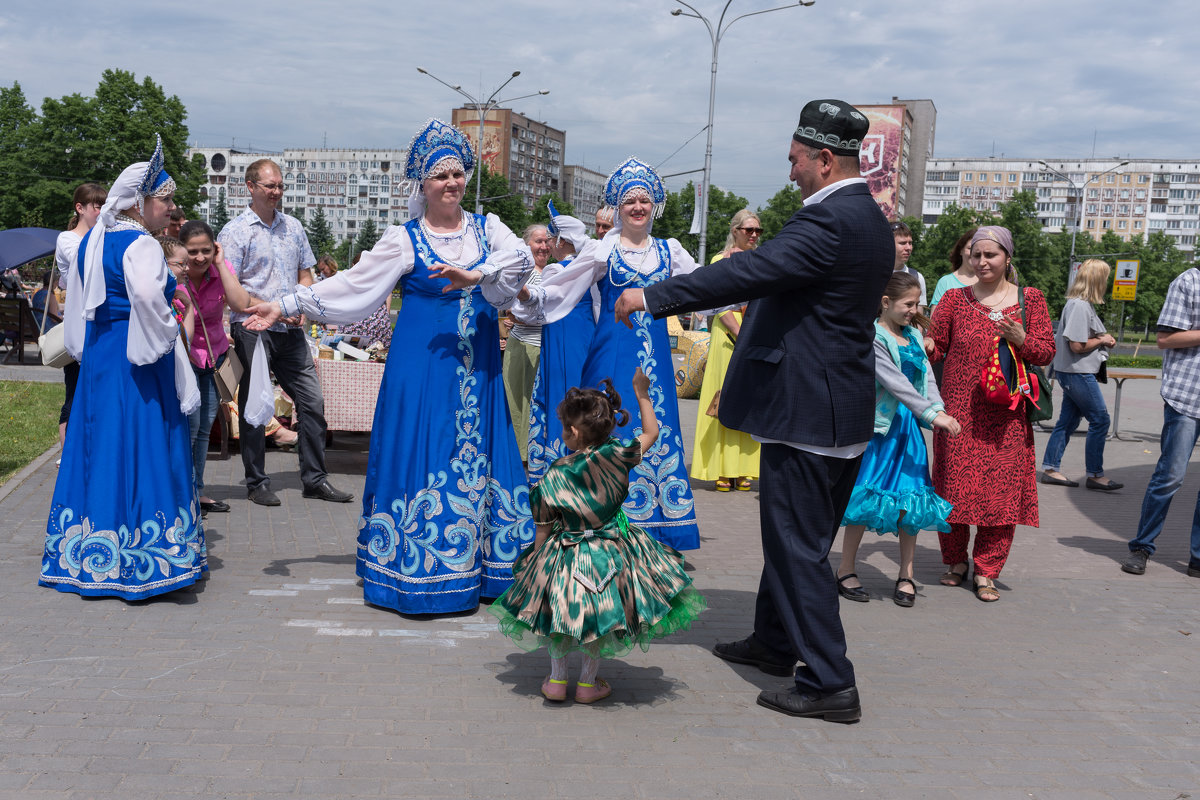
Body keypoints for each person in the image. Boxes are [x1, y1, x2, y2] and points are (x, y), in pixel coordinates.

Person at [615, 99, 894, 722]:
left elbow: (747, 274)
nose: (789, 171)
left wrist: (650, 295)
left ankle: (829, 682)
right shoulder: (867, 216)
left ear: (824, 160)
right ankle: (774, 642)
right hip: (834, 406)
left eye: (796, 160)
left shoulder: (828, 222)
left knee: (797, 544)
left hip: (809, 411)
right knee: (797, 537)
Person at [242, 118, 536, 615]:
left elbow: (523, 260)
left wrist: (476, 273)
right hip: (422, 370)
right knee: (426, 450)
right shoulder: (405, 238)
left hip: (479, 370)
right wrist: (285, 302)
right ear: (423, 183)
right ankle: (422, 568)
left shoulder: (489, 228)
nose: (452, 183)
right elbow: (353, 286)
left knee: (479, 451)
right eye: (441, 175)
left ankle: (484, 566)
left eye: (458, 173)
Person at [41, 135, 206, 600]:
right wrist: (169, 336)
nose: (172, 208)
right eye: (166, 199)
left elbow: (77, 303)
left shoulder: (93, 238)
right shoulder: (143, 244)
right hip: (138, 357)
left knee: (99, 443)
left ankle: (89, 552)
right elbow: (152, 304)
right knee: (144, 442)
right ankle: (145, 558)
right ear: (140, 202)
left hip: (99, 354)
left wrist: (85, 347)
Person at [509, 158, 702, 552]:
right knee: (606, 430)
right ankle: (594, 522)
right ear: (617, 206)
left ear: (655, 205)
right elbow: (563, 285)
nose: (637, 207)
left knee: (655, 429)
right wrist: (531, 294)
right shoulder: (603, 249)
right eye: (629, 201)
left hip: (655, 363)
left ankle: (653, 533)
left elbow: (705, 287)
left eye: (644, 200)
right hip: (609, 357)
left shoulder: (671, 252)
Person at [489, 369, 705, 703]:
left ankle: (557, 682)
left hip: (566, 553)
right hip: (611, 550)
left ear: (572, 431)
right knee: (598, 617)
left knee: (562, 615)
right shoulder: (619, 454)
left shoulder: (555, 474)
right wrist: (641, 392)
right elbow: (652, 431)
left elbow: (543, 529)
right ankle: (588, 684)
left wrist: (535, 564)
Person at [928, 226, 1054, 602]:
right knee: (952, 488)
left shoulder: (1029, 300)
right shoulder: (953, 299)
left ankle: (986, 571)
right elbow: (935, 350)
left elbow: (1045, 352)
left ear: (1007, 258)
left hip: (1007, 416)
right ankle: (955, 562)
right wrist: (926, 342)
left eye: (991, 255)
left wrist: (1021, 339)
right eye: (976, 255)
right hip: (959, 414)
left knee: (1000, 493)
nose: (981, 261)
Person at [218, 158, 352, 507]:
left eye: (280, 185)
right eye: (270, 186)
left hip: (290, 330)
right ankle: (256, 481)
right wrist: (273, 307)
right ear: (250, 187)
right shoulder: (234, 232)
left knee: (313, 402)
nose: (277, 192)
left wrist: (299, 308)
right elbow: (230, 287)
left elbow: (305, 276)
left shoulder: (293, 227)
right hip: (251, 329)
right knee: (255, 404)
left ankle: (314, 478)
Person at [835, 272, 959, 607]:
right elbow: (896, 384)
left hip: (908, 431)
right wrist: (933, 415)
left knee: (912, 502)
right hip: (881, 429)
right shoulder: (873, 336)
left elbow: (927, 380)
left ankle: (907, 573)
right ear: (886, 303)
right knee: (867, 499)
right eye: (909, 304)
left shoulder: (914, 336)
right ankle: (845, 567)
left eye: (917, 303)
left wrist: (939, 411)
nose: (914, 309)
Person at [1121, 266, 1200, 578]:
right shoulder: (1189, 281)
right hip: (1187, 395)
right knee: (1171, 477)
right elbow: (1166, 339)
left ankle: (1197, 557)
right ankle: (1142, 546)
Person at [178, 220, 253, 514]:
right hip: (184, 358)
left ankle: (196, 490)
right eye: (193, 251)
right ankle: (182, 489)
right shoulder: (175, 273)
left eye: (206, 251)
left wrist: (221, 265)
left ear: (215, 248)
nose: (199, 258)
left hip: (213, 357)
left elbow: (238, 303)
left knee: (204, 428)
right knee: (190, 426)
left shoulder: (220, 270)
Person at [691, 209, 762, 492]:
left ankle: (744, 467)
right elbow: (719, 305)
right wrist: (740, 333)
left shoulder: (760, 262)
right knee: (720, 401)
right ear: (735, 231)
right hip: (727, 337)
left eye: (758, 231)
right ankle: (721, 468)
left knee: (748, 401)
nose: (754, 235)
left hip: (753, 335)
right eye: (749, 230)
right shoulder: (720, 261)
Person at [526, 202, 597, 483]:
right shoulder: (589, 269)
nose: (550, 245)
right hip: (584, 338)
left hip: (561, 340)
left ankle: (559, 464)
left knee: (560, 395)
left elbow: (536, 308)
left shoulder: (556, 271)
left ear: (561, 241)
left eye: (552, 239)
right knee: (583, 396)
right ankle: (585, 461)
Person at [1040, 259, 1121, 491]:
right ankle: (1095, 474)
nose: (1107, 282)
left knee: (1068, 421)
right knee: (1100, 419)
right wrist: (1103, 339)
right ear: (1096, 280)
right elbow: (1077, 346)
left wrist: (1103, 339)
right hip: (1078, 373)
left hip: (1073, 372)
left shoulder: (1080, 304)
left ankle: (1051, 469)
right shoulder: (1080, 306)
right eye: (1105, 277)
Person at [52, 182, 107, 455]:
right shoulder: (68, 239)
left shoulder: (102, 237)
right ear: (80, 208)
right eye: (98, 206)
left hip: (100, 327)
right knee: (74, 394)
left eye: (105, 205)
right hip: (79, 329)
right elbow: (86, 264)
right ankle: (68, 457)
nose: (102, 211)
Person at [503, 224, 551, 463]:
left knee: (538, 405)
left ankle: (534, 455)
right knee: (519, 404)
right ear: (527, 245)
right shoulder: (522, 272)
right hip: (522, 347)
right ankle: (517, 459)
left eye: (547, 241)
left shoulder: (555, 271)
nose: (543, 246)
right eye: (538, 241)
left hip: (546, 348)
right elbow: (511, 307)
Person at [929, 228, 979, 314]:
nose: (973, 253)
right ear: (961, 250)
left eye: (977, 250)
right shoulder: (945, 282)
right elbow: (935, 321)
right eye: (970, 248)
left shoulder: (988, 282)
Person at [890, 220, 927, 311]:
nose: (908, 248)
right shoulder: (874, 274)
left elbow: (918, 320)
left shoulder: (917, 277)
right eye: (902, 243)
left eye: (910, 243)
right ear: (888, 243)